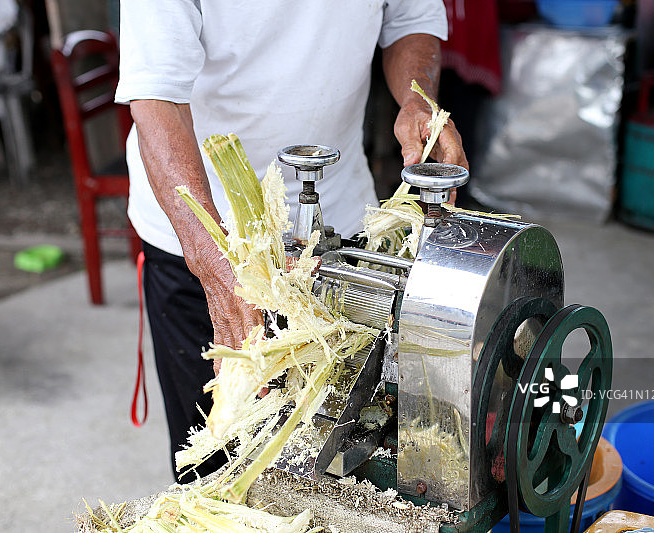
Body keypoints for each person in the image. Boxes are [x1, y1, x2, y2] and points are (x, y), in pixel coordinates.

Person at [115, 0, 468, 481]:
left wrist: (418, 99)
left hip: (340, 224)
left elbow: (409, 19)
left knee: (340, 456)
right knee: (219, 465)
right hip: (202, 240)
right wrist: (214, 260)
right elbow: (157, 99)